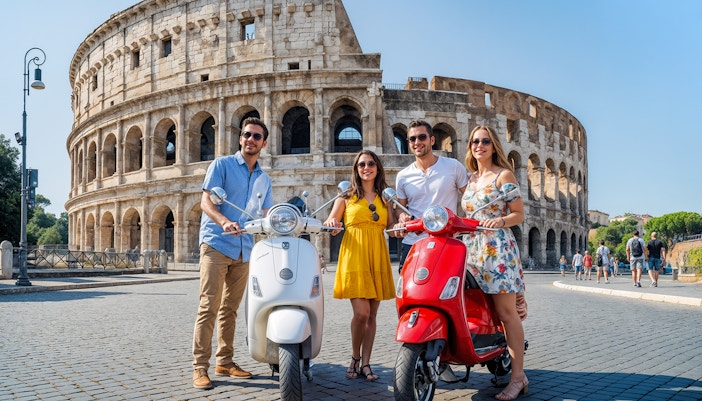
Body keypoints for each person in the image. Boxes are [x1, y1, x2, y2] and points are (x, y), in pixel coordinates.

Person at [191, 117, 274, 390]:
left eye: (257, 136)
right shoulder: (222, 165)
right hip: (217, 243)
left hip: (244, 249)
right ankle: (199, 367)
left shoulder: (264, 179)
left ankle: (224, 361)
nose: (251, 139)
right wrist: (224, 221)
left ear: (264, 142)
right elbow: (206, 201)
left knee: (230, 309)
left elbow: (265, 216)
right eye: (247, 134)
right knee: (209, 306)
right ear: (240, 138)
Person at [460, 125, 527, 400]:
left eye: (485, 141)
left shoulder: (504, 175)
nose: (480, 145)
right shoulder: (470, 179)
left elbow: (519, 213)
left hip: (497, 250)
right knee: (480, 310)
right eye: (475, 141)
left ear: (493, 145)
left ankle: (518, 378)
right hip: (472, 250)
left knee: (506, 314)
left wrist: (500, 220)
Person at [324, 150, 397, 382]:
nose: (366, 167)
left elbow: (392, 227)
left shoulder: (385, 198)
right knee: (361, 313)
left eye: (371, 164)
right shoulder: (345, 197)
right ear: (356, 169)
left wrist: (402, 224)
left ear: (378, 168)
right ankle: (355, 356)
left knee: (373, 315)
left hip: (377, 255)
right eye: (361, 164)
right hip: (354, 256)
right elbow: (331, 223)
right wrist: (332, 223)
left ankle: (366, 363)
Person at [393, 120, 469, 273]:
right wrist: (401, 217)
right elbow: (400, 208)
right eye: (412, 139)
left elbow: (470, 199)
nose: (417, 142)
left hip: (446, 241)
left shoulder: (453, 166)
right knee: (409, 293)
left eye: (422, 137)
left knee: (448, 291)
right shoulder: (403, 176)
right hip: (413, 242)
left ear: (432, 140)